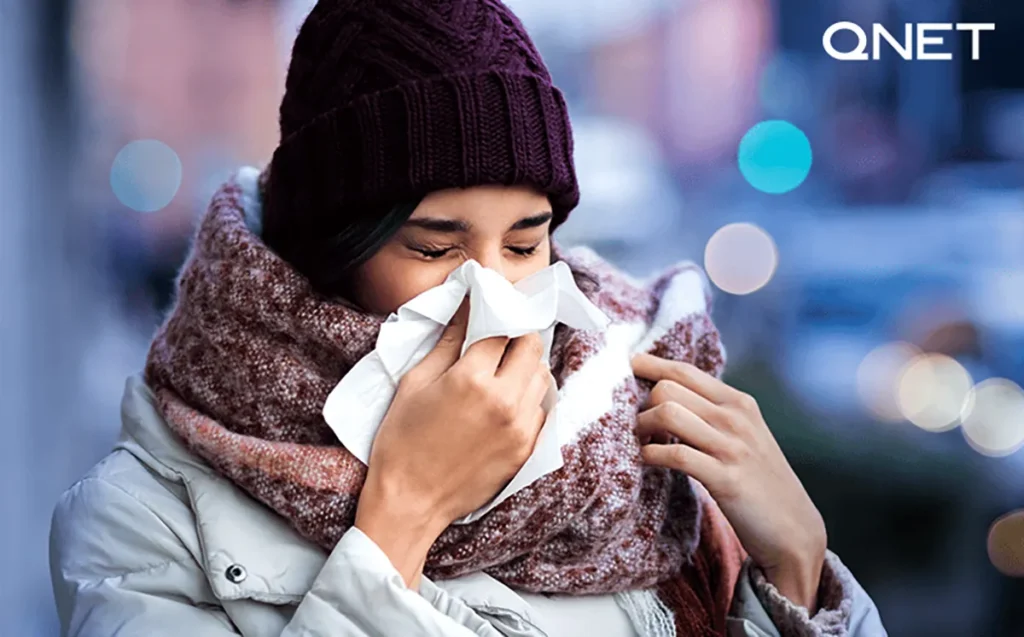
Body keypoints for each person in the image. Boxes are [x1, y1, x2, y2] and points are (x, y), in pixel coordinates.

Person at [49, 2, 887, 636]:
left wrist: (800, 573)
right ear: (329, 253)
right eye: (434, 246)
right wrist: (399, 522)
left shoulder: (639, 437)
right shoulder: (144, 518)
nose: (494, 297)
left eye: (525, 244)